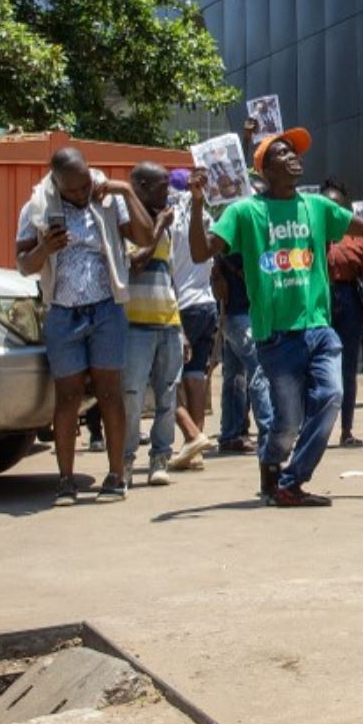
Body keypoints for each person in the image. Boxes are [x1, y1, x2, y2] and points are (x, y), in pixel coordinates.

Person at [189, 128, 363, 506]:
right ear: (265, 170)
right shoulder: (244, 212)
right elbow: (202, 250)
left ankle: (290, 481)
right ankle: (272, 465)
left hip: (319, 329)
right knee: (285, 424)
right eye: (283, 153)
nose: (294, 157)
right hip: (276, 337)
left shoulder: (316, 207)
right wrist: (196, 202)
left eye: (295, 152)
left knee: (332, 394)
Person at [15, 147, 152, 500]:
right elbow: (24, 265)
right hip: (63, 313)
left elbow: (146, 237)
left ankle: (116, 476)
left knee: (110, 393)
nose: (80, 194)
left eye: (84, 184)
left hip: (106, 309)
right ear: (56, 184)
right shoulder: (36, 208)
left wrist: (124, 190)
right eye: (71, 190)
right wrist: (45, 248)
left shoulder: (107, 197)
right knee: (68, 397)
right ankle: (65, 480)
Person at [117, 163, 210, 492]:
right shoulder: (126, 223)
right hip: (135, 326)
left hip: (168, 322)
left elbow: (170, 278)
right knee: (131, 396)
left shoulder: (164, 224)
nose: (166, 193)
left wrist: (181, 329)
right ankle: (125, 462)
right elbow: (134, 264)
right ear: (140, 186)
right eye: (160, 187)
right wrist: (158, 226)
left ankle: (160, 458)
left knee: (168, 394)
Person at [322, 180, 363, 449]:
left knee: (348, 369)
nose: (332, 209)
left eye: (336, 205)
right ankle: (315, 429)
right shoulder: (309, 235)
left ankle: (346, 429)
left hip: (349, 302)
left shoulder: (356, 240)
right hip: (319, 301)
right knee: (318, 370)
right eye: (327, 205)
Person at [169, 170, 221, 462]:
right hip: (206, 303)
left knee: (166, 378)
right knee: (196, 373)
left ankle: (191, 435)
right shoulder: (206, 218)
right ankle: (196, 441)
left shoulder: (171, 220)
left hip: (181, 306)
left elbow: (168, 270)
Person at [215, 247, 271, 457]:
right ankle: (268, 429)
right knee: (258, 370)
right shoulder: (247, 227)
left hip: (234, 313)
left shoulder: (229, 230)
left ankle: (230, 435)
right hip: (241, 313)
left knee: (234, 376)